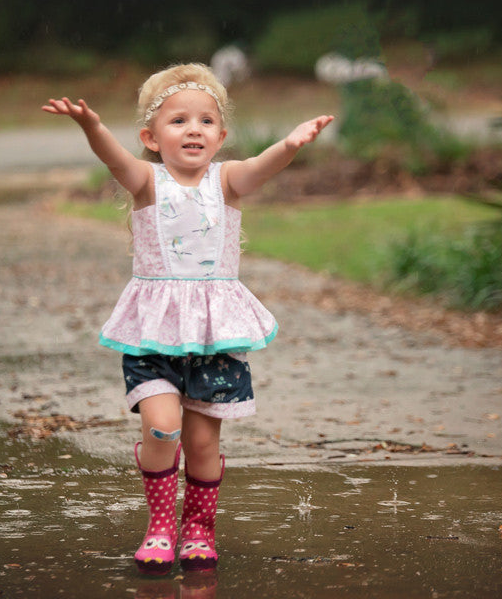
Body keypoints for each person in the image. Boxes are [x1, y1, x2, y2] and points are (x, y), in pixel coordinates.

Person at [42, 63, 333, 575]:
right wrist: (91, 127)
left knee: (202, 443)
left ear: (221, 135)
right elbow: (114, 160)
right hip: (153, 332)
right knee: (162, 429)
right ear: (151, 138)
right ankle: (160, 526)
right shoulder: (146, 182)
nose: (193, 129)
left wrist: (290, 144)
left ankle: (198, 528)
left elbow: (262, 166)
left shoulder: (227, 180)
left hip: (214, 334)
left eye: (205, 121)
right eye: (178, 121)